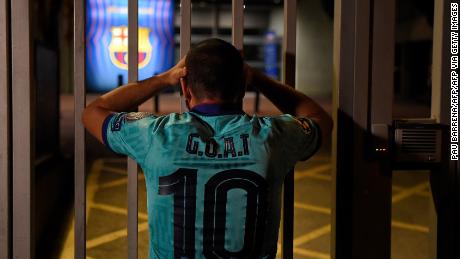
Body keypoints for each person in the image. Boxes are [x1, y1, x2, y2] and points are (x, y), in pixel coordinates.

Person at [82, 38, 333, 259]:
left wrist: (163, 78)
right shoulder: (272, 137)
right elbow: (320, 119)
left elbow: (93, 112)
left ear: (185, 88)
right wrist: (259, 79)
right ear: (242, 87)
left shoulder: (155, 135)